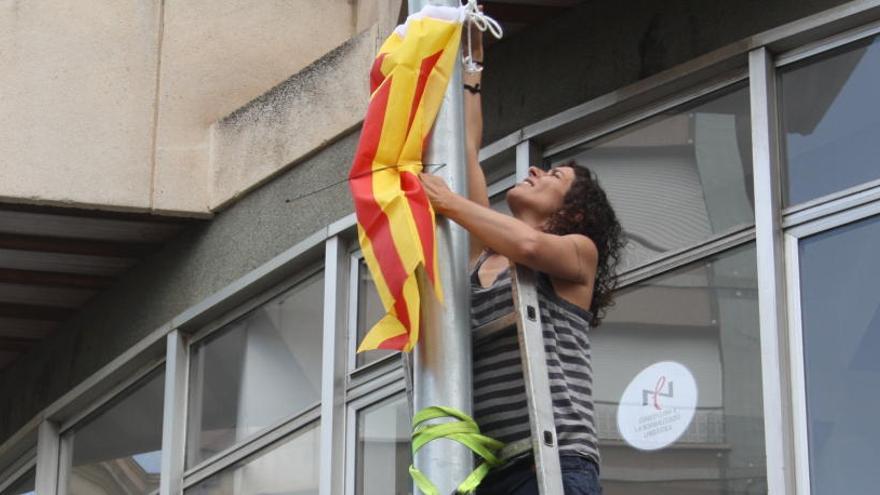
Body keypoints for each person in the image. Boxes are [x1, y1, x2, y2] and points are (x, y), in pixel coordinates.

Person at [418, 14, 625, 495]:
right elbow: (465, 148)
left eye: (552, 177)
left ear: (573, 215)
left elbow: (529, 245)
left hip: (555, 464)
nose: (534, 170)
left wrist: (448, 202)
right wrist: (470, 72)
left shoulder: (577, 255)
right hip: (492, 472)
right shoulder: (477, 257)